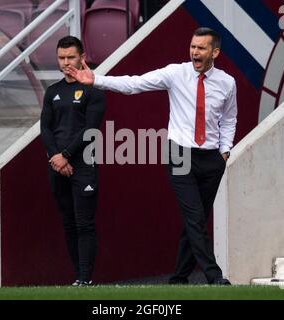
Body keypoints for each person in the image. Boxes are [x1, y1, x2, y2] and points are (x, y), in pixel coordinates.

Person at [68, 27, 237, 285]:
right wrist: (97, 80)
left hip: (212, 158)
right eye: (192, 46)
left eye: (201, 48)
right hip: (179, 154)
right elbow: (134, 84)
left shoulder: (227, 82)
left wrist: (225, 150)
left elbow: (229, 118)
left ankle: (179, 277)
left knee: (197, 220)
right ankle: (214, 276)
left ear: (215, 52)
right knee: (194, 218)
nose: (194, 52)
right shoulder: (175, 73)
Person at [40, 36, 105, 286]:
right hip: (56, 166)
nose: (66, 62)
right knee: (68, 223)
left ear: (82, 57)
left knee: (84, 223)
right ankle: (78, 277)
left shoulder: (93, 92)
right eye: (61, 57)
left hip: (83, 166)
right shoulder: (52, 91)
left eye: (71, 57)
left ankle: (86, 279)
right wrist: (55, 157)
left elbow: (91, 130)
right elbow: (45, 129)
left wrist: (65, 155)